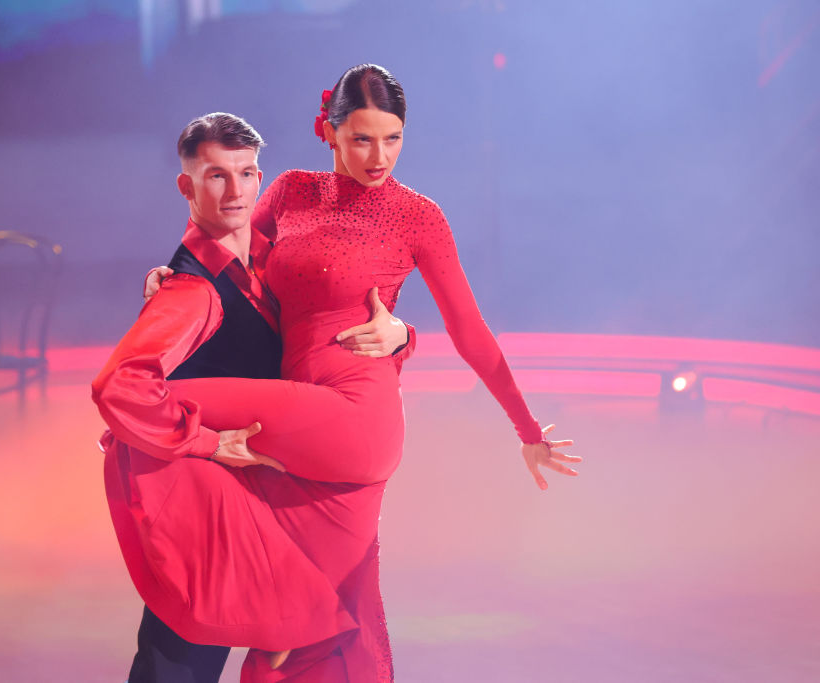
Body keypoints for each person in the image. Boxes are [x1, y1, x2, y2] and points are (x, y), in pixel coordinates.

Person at [128, 63, 582, 680]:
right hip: (298, 415)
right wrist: (176, 273)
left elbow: (472, 333)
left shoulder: (418, 215)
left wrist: (525, 428)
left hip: (353, 419)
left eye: (392, 138)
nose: (379, 156)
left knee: (158, 398)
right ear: (330, 132)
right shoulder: (289, 191)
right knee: (307, 627)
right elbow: (230, 249)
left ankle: (124, 422)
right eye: (363, 138)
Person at [93, 112, 414, 682]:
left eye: (245, 173)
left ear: (261, 178)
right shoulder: (190, 291)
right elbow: (121, 385)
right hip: (211, 513)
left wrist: (401, 336)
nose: (235, 191)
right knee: (181, 661)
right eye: (216, 176)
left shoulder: (281, 257)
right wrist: (209, 441)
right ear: (186, 186)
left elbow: (341, 335)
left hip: (280, 505)